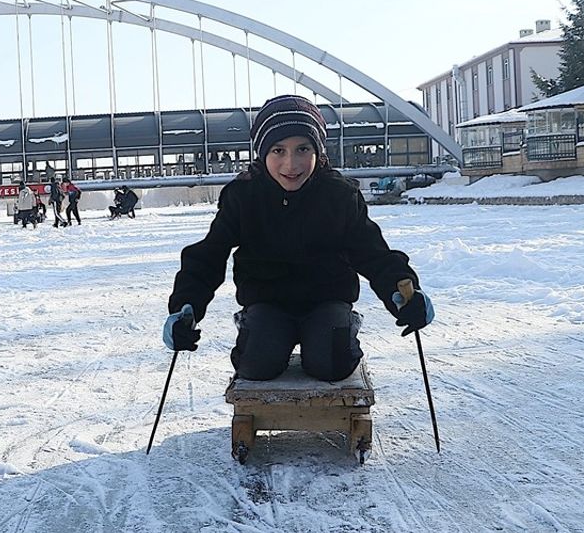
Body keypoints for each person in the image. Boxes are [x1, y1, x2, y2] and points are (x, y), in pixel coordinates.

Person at [163, 94, 434, 383]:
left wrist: (404, 294)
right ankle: (256, 332)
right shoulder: (244, 196)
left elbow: (373, 254)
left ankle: (342, 328)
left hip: (326, 301)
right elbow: (208, 256)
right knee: (256, 367)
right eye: (278, 150)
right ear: (262, 153)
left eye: (302, 149)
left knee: (331, 365)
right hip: (268, 303)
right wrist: (185, 307)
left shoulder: (339, 195)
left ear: (318, 150)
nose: (291, 164)